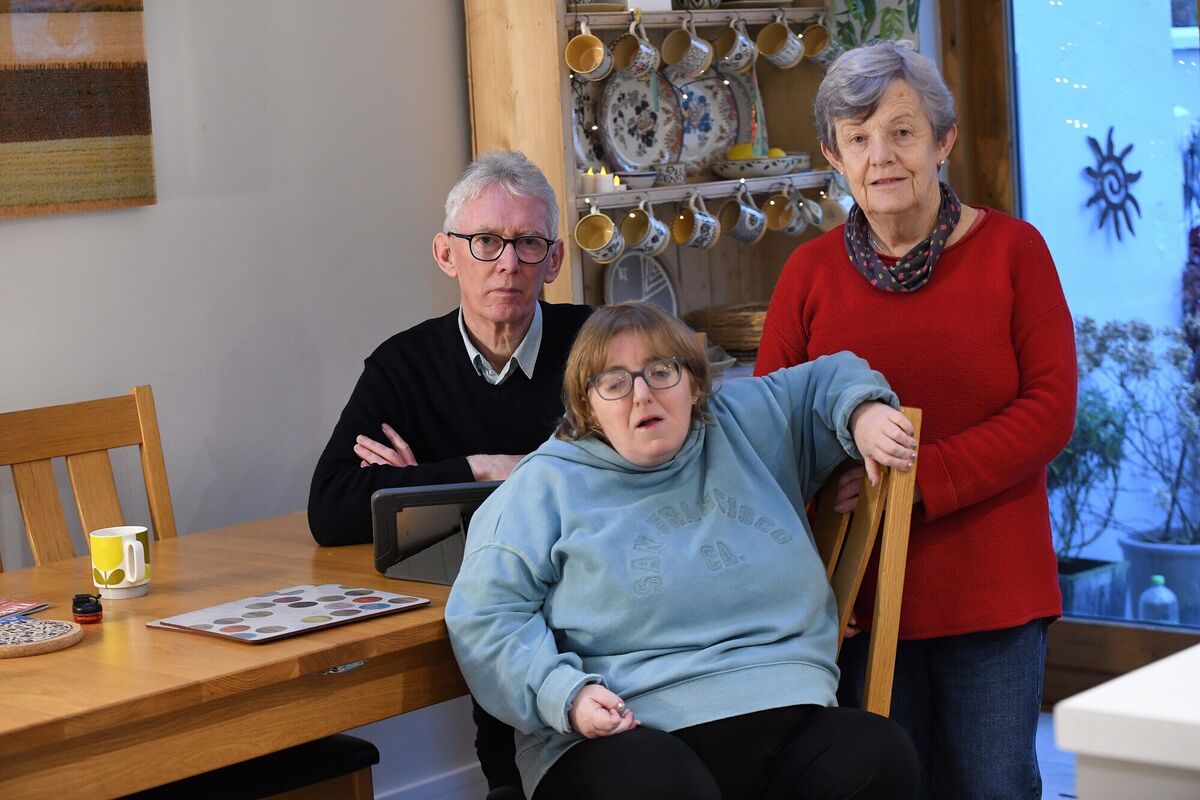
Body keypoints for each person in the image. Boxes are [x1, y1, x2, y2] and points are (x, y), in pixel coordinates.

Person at [755, 41, 1077, 800]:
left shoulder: (1014, 252)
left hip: (992, 589)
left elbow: (1050, 411)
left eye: (902, 131)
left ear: (944, 142)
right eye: (858, 137)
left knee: (994, 786)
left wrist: (915, 480)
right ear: (833, 157)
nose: (883, 156)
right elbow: (771, 426)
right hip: (857, 592)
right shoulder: (807, 274)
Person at [446, 301, 921, 800]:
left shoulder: (744, 424)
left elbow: (831, 376)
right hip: (625, 727)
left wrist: (863, 411)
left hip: (784, 705)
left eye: (661, 371)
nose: (642, 395)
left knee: (881, 757)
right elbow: (485, 617)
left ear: (694, 385)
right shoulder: (542, 485)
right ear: (586, 407)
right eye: (614, 382)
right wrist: (566, 695)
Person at [307, 150, 591, 795]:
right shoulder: (401, 366)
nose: (507, 263)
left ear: (554, 260)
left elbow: (649, 466)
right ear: (446, 254)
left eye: (527, 244)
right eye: (485, 241)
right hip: (490, 609)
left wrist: (426, 486)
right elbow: (331, 509)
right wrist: (477, 468)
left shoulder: (599, 344)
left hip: (598, 595)